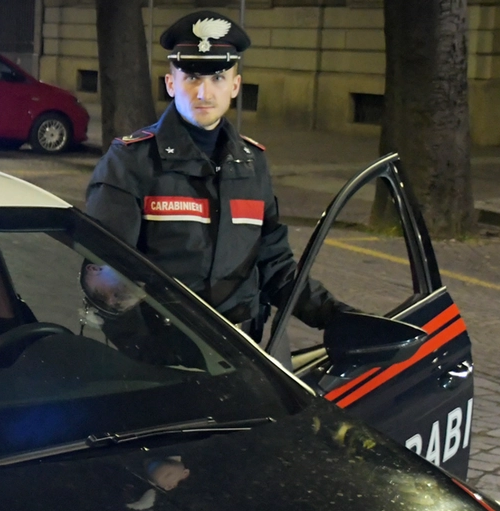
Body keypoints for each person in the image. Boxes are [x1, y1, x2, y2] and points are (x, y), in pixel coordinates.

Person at [84, 10, 349, 359]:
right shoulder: (131, 162)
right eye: (191, 77)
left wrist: (337, 317)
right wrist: (147, 352)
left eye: (219, 78)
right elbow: (104, 275)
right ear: (170, 83)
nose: (204, 91)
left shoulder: (252, 164)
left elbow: (275, 267)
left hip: (247, 352)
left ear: (235, 86)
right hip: (165, 356)